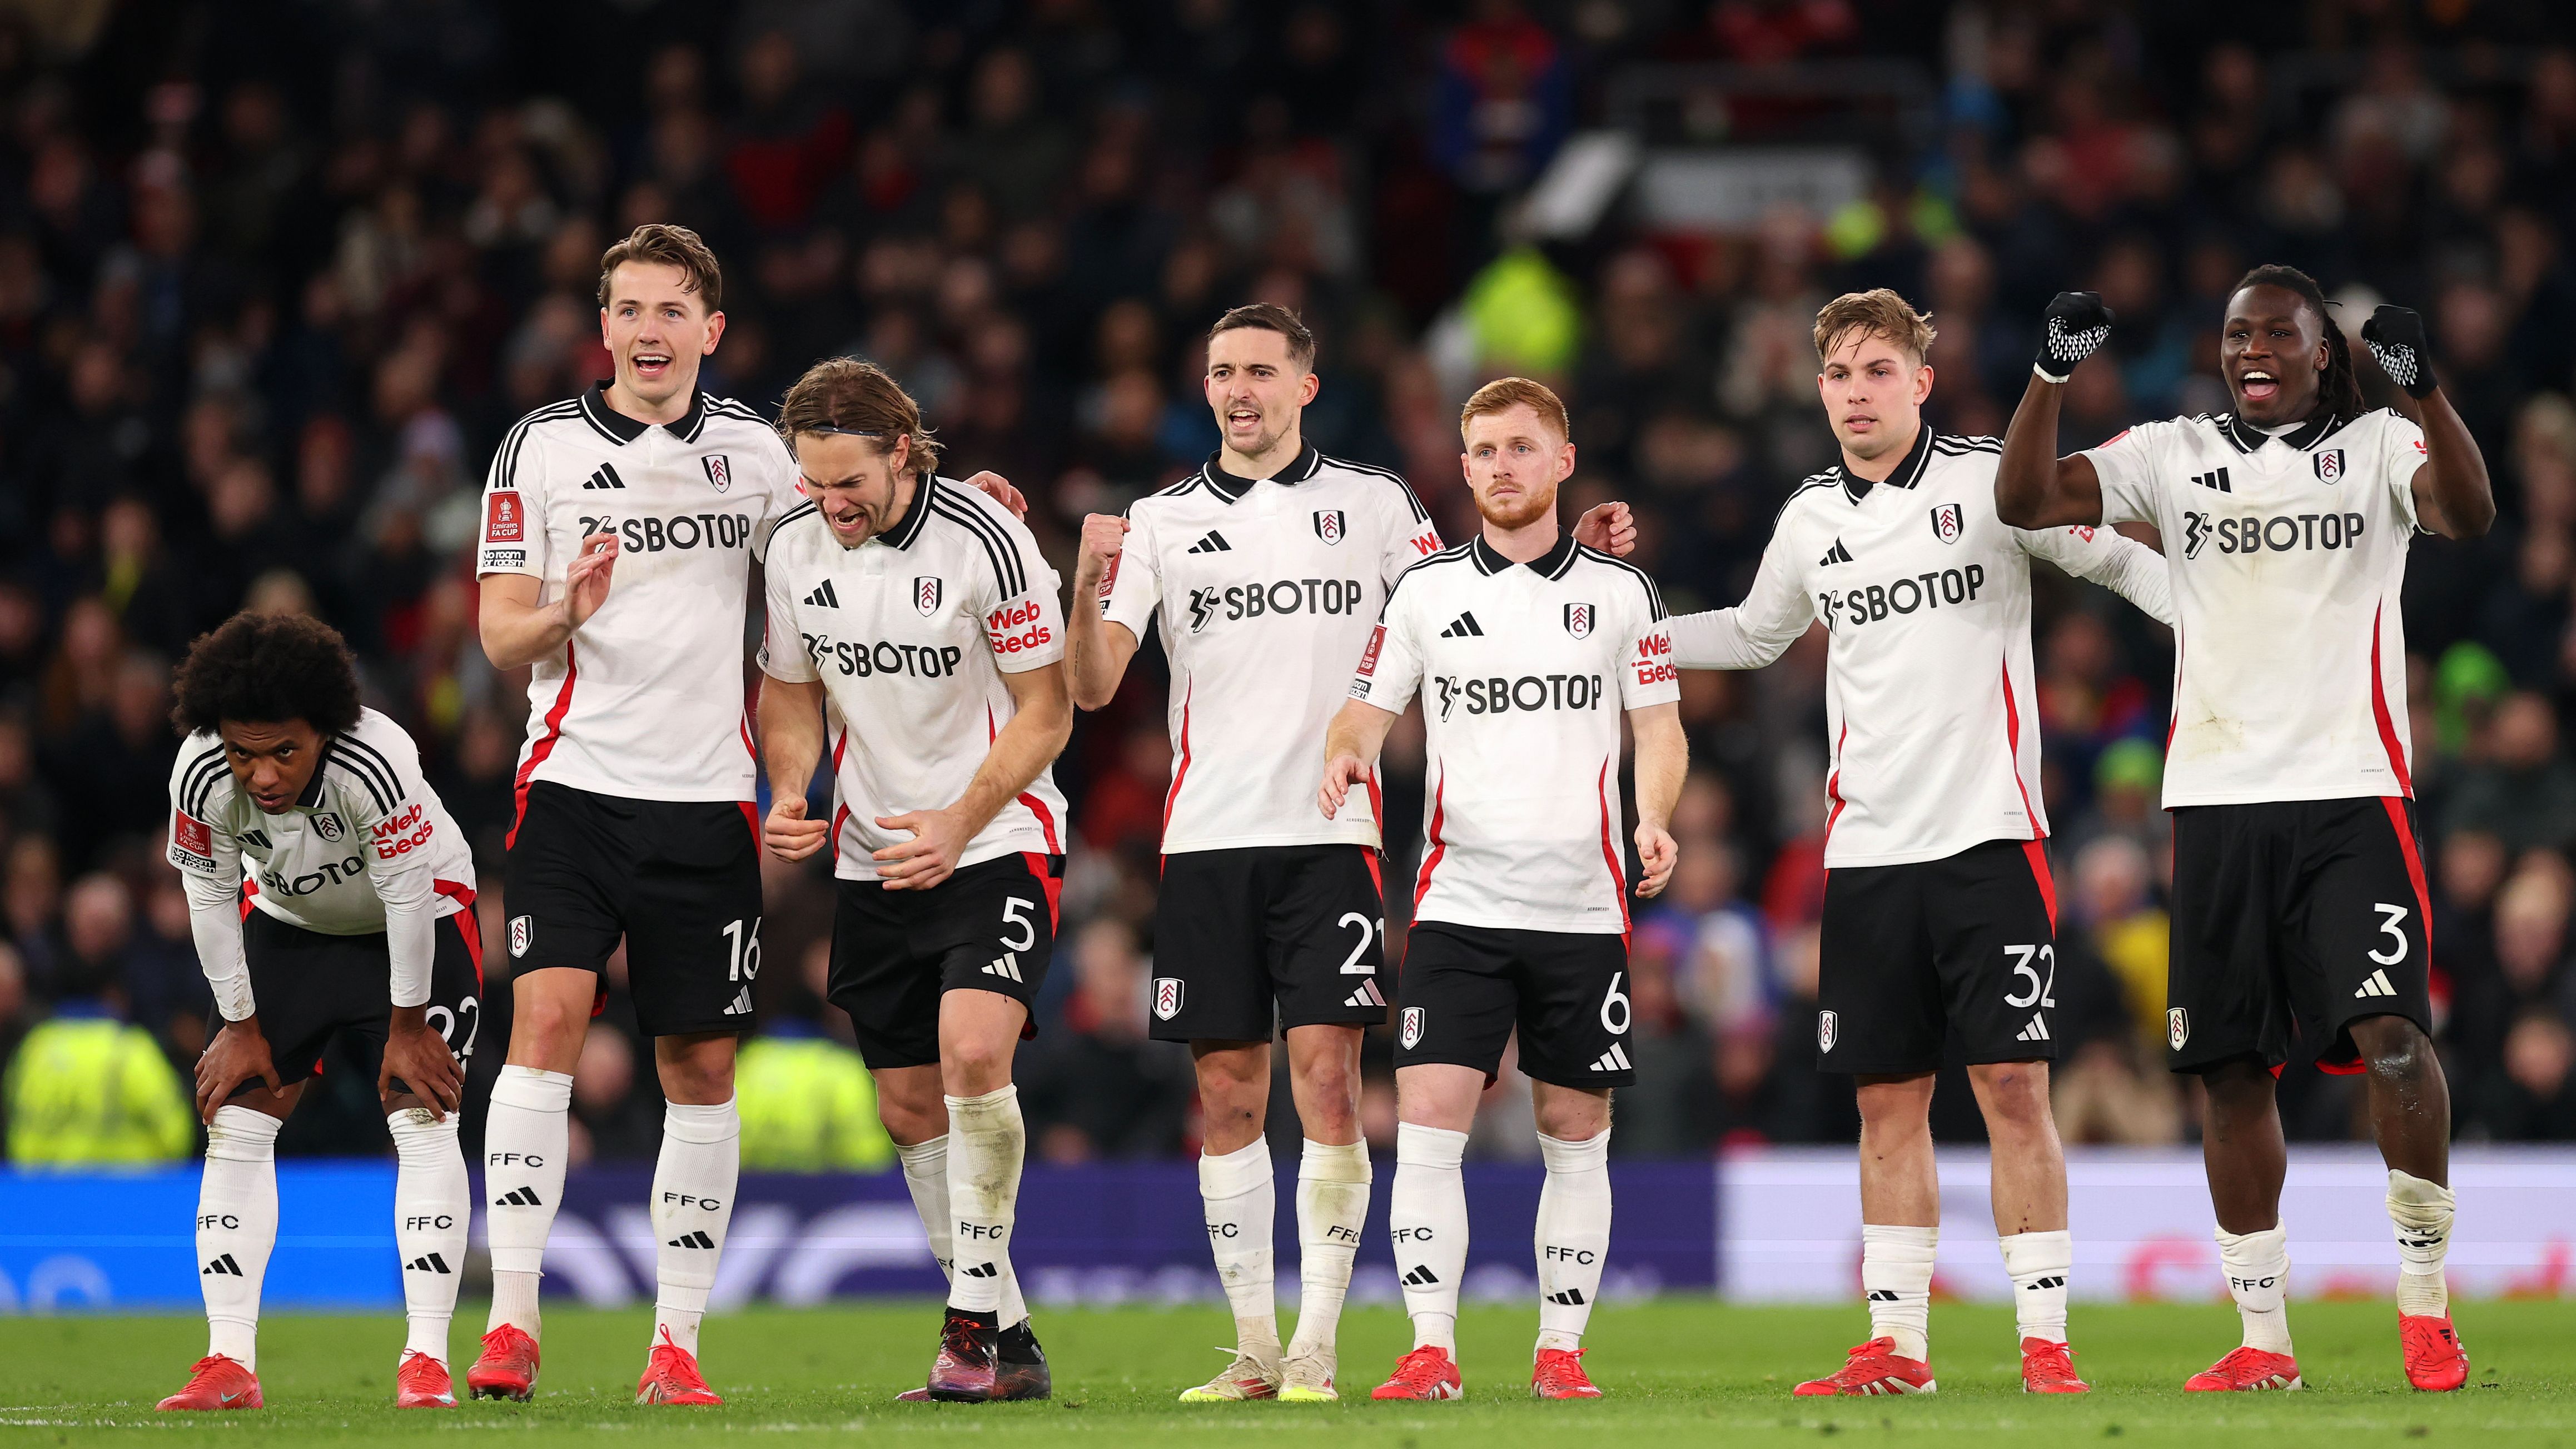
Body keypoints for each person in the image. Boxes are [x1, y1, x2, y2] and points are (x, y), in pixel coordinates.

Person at [1065, 304, 1633, 1402]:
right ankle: (1252, 1344)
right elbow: (1093, 685)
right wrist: (1084, 585)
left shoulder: (1372, 507)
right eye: (1222, 370)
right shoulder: (1160, 520)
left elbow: (1473, 588)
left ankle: (1318, 1339)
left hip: (1333, 839)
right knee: (1227, 1095)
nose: (1239, 389)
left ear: (1303, 387)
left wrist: (1581, 558)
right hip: (1209, 839)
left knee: (1327, 1080)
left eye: (1261, 371)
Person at [1995, 266, 2497, 1393]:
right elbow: (2025, 503)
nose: (2253, 348)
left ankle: (2424, 1307)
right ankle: (2264, 1339)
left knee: (2394, 1040)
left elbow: (2467, 512)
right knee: (2226, 1069)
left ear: (2327, 354)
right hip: (2215, 798)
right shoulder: (2170, 452)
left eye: (2279, 333)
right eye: (2235, 333)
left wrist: (2422, 394)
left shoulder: (2375, 449)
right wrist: (2045, 375)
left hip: (2348, 789)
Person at [1663, 290, 2173, 1396]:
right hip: (1866, 855)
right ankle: (1897, 1345)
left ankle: (2046, 1342)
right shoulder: (1808, 517)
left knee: (2010, 1086)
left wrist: (2211, 616)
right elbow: (1755, 632)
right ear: (1819, 388)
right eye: (1838, 372)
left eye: (1876, 370)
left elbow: (2114, 559)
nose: (1855, 391)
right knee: (1885, 1102)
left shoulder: (1993, 480)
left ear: (1920, 381)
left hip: (1989, 839)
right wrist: (1628, 637)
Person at [465, 223, 803, 1407]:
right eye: (629, 310)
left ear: (712, 329)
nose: (649, 332)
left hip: (709, 800)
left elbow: (858, 517)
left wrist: (967, 493)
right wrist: (567, 607)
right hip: (571, 789)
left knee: (697, 1064)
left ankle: (676, 1344)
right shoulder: (542, 448)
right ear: (600, 326)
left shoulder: (762, 455)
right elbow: (501, 629)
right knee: (544, 1023)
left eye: (672, 311)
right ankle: (511, 1320)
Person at [1320, 377, 1685, 1402]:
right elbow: (1364, 709)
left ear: (1562, 461)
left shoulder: (1623, 593)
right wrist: (1347, 753)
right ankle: (1429, 1349)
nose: (1500, 466)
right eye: (1482, 450)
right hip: (1458, 904)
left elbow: (1658, 728)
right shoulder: (1426, 593)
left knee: (1574, 1135)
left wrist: (1653, 816)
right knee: (1427, 1117)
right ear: (1466, 464)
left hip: (1581, 906)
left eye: (1522, 447)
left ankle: (1559, 1357)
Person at [755, 358, 1072, 1402]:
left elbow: (1046, 709)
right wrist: (793, 786)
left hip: (993, 838)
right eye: (813, 481)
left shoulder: (988, 537)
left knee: (973, 1051)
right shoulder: (796, 548)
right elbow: (791, 693)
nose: (831, 503)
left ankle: (969, 1326)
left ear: (901, 451)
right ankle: (1010, 1341)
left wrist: (959, 820)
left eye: (848, 481)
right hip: (871, 855)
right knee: (904, 1107)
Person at [150, 612, 481, 1412]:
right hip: (293, 930)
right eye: (244, 753)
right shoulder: (198, 772)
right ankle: (228, 1362)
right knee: (234, 1116)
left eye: (284, 751)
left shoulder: (377, 758)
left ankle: (426, 1361)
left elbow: (407, 892)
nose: (262, 776)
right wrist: (238, 1023)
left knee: (424, 1115)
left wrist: (406, 1030)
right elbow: (208, 894)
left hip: (419, 922)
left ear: (325, 731)